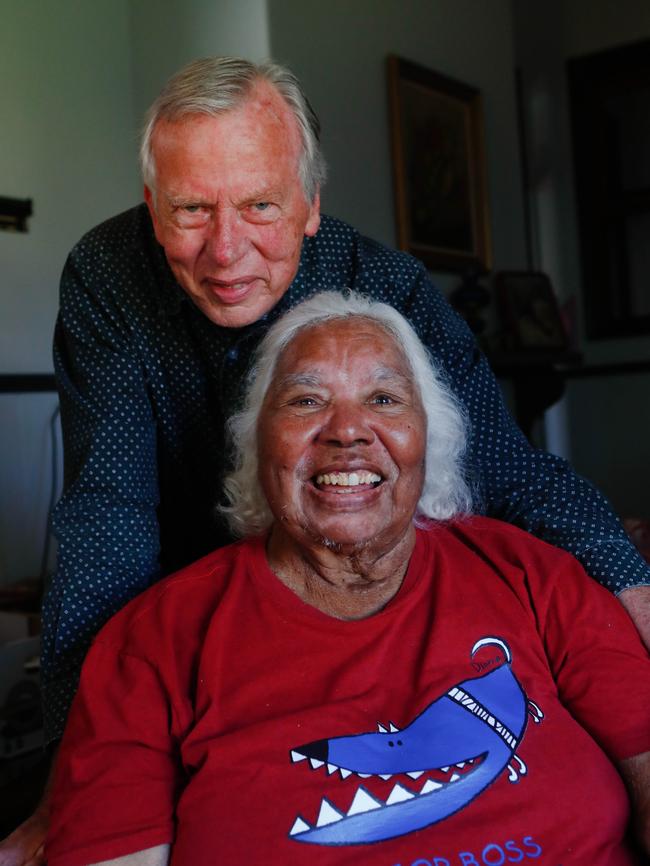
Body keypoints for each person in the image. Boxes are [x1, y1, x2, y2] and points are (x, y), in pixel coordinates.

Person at [3, 55, 649, 866]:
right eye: (192, 210)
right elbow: (110, 515)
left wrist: (636, 600)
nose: (225, 251)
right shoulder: (108, 275)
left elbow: (509, 466)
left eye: (261, 207)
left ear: (311, 206)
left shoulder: (384, 282)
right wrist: (73, 780)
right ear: (152, 206)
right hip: (202, 614)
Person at [45, 292, 650, 866]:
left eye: (384, 399)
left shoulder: (531, 576)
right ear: (258, 443)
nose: (348, 431)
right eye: (306, 401)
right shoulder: (156, 641)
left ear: (426, 435)